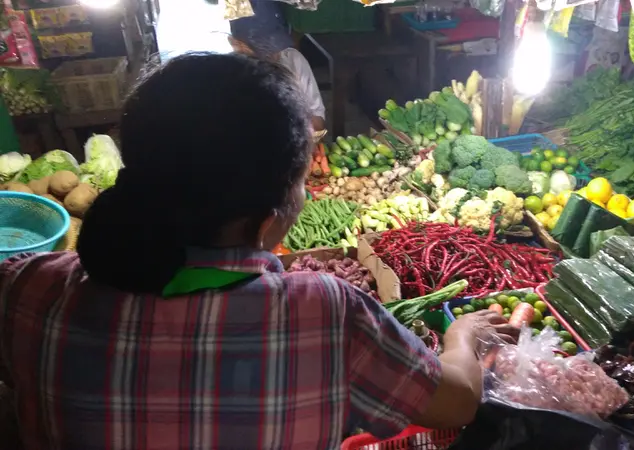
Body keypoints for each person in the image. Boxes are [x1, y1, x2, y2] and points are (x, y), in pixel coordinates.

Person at [0, 53, 516, 449]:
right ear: (270, 221)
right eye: (299, 185)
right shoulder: (322, 312)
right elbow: (459, 402)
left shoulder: (27, 286)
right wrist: (461, 335)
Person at [229, 3, 327, 132]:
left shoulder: (294, 61)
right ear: (236, 44)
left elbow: (318, 122)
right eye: (263, 48)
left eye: (276, 44)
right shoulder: (227, 76)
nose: (274, 54)